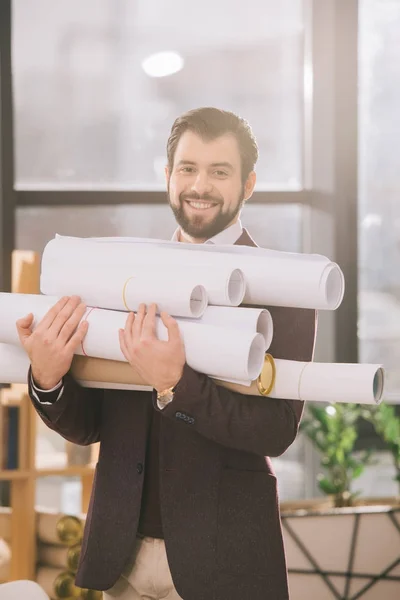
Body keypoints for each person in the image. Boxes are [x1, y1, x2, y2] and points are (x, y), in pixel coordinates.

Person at [16, 108, 316, 600]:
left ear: (249, 184)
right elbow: (91, 424)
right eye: (187, 168)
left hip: (223, 560)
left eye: (220, 171)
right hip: (122, 555)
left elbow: (275, 429)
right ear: (168, 176)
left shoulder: (286, 286)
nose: (200, 185)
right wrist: (49, 380)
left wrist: (176, 385)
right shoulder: (123, 274)